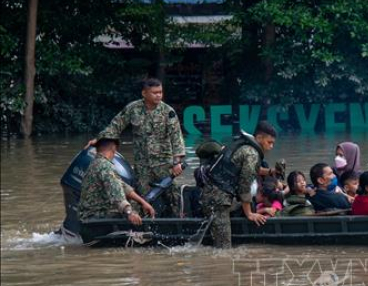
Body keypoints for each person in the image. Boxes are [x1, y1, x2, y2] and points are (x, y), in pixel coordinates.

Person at [88, 78, 186, 217]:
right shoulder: (133, 109)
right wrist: (99, 140)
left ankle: (178, 221)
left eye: (160, 92)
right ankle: (145, 226)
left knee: (172, 196)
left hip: (164, 163)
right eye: (154, 93)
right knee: (143, 197)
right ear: (144, 93)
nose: (158, 95)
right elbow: (116, 125)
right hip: (142, 164)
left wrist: (177, 162)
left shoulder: (167, 111)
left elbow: (176, 137)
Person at [196, 121, 275, 248]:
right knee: (224, 248)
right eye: (269, 142)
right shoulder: (252, 154)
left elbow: (249, 169)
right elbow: (245, 186)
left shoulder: (243, 146)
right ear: (259, 138)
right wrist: (249, 214)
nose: (271, 147)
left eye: (273, 144)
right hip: (218, 201)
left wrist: (271, 172)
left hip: (213, 195)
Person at [78, 137, 156, 225]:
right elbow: (116, 194)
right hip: (95, 220)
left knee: (132, 207)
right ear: (114, 148)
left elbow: (122, 186)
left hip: (87, 219)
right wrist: (130, 213)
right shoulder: (105, 166)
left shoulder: (96, 163)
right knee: (132, 217)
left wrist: (143, 202)